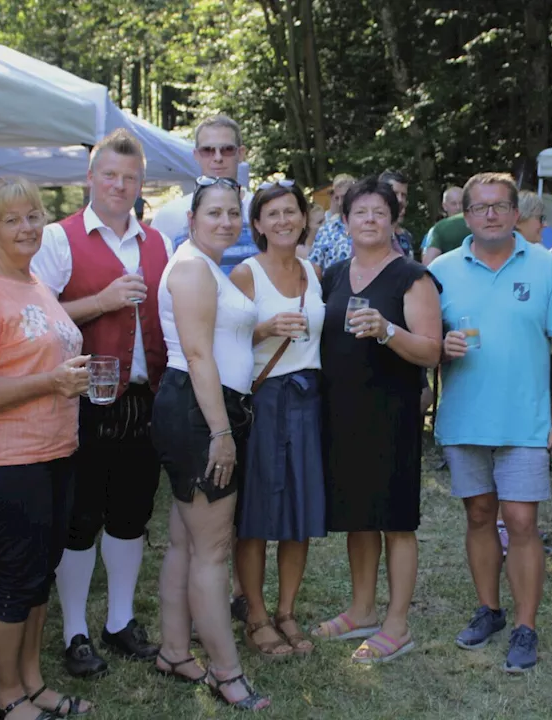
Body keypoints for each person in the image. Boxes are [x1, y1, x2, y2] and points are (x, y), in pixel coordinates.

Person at [0, 177, 92, 720]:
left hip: (55, 450)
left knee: (40, 574)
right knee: (16, 579)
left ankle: (33, 684)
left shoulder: (33, 283)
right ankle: (5, 698)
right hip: (6, 460)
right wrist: (50, 383)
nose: (28, 227)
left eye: (34, 215)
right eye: (12, 219)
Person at [30, 129, 167, 678]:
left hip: (143, 399)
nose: (119, 185)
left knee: (131, 517)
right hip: (82, 402)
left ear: (140, 185)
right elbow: (34, 323)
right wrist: (101, 302)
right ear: (90, 178)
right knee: (80, 520)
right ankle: (75, 632)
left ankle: (119, 621)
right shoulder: (58, 240)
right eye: (109, 175)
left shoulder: (157, 243)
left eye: (129, 178)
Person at [431, 172, 552, 674]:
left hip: (526, 420)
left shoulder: (547, 267)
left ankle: (525, 626)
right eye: (480, 207)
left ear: (517, 212)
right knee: (477, 516)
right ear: (465, 216)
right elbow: (422, 342)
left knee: (520, 521)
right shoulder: (443, 270)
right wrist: (439, 349)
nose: (490, 214)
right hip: (466, 416)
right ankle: (489, 610)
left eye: (500, 206)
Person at [311, 176, 442, 664]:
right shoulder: (334, 275)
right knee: (358, 517)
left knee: (395, 521)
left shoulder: (412, 277)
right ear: (344, 222)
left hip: (392, 411)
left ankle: (396, 624)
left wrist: (388, 331)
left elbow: (430, 351)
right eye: (360, 212)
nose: (369, 220)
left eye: (378, 213)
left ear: (393, 221)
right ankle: (361, 610)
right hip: (342, 411)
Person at [151, 176, 270, 710]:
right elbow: (199, 356)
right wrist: (221, 433)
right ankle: (226, 672)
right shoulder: (194, 268)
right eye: (215, 213)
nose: (226, 221)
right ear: (192, 219)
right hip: (202, 413)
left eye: (232, 213)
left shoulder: (206, 266)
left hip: (208, 407)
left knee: (184, 541)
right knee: (213, 551)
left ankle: (175, 649)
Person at [228, 181, 326, 660]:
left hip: (309, 402)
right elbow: (218, 346)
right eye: (273, 214)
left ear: (304, 218)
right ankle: (256, 616)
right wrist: (265, 328)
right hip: (265, 401)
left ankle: (287, 612)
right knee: (254, 517)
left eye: (291, 212)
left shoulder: (314, 271)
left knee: (299, 515)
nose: (283, 220)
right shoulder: (245, 274)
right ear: (258, 226)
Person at [149, 115, 259, 274]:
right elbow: (158, 276)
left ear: (241, 153)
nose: (218, 158)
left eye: (227, 150)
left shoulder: (263, 210)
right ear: (196, 155)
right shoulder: (170, 215)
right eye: (208, 150)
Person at [420, 185, 464, 258]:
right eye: (453, 204)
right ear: (444, 206)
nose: (458, 208)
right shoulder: (435, 231)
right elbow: (427, 263)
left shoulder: (476, 229)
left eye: (462, 203)